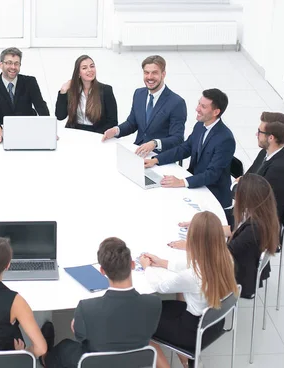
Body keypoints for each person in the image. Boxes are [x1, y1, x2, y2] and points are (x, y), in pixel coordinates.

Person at [43, 237, 162, 368]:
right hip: (133, 362)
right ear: (132, 265)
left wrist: (77, 324)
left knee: (63, 347)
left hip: (97, 363)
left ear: (102, 271)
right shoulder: (154, 303)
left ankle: (44, 359)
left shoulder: (87, 308)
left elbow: (80, 336)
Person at [139, 211, 238, 368]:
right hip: (215, 322)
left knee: (141, 323)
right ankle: (187, 363)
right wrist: (163, 262)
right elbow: (195, 265)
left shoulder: (192, 276)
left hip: (193, 331)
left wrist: (146, 267)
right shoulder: (226, 257)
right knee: (164, 307)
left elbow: (159, 286)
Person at [144, 89, 235, 214]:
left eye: (203, 106)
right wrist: (156, 160)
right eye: (199, 104)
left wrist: (181, 182)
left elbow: (212, 174)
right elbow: (185, 148)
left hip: (212, 196)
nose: (197, 109)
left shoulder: (225, 139)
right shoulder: (200, 126)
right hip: (196, 183)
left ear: (216, 112)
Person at [102, 55, 186, 156]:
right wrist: (116, 130)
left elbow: (177, 138)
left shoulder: (176, 102)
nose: (149, 77)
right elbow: (132, 123)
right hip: (138, 151)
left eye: (154, 73)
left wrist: (155, 143)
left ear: (163, 74)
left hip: (160, 156)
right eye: (146, 72)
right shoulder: (139, 94)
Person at [236, 111, 284, 226]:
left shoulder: (281, 169)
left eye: (259, 132)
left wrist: (238, 186)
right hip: (248, 213)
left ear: (271, 138)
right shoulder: (264, 152)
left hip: (260, 226)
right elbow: (247, 177)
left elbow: (256, 200)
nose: (256, 135)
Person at [0, 47, 50, 143]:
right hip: (3, 128)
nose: (13, 67)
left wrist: (47, 128)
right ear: (1, 64)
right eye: (9, 63)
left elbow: (40, 105)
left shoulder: (30, 82)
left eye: (16, 63)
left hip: (28, 128)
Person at [55, 55, 118, 134]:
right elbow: (60, 116)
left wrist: (96, 135)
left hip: (97, 134)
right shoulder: (72, 90)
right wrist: (63, 91)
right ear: (78, 73)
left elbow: (113, 122)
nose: (90, 70)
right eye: (84, 68)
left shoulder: (106, 90)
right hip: (74, 132)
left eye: (92, 66)